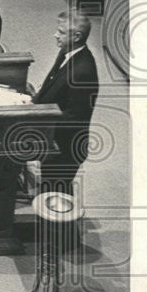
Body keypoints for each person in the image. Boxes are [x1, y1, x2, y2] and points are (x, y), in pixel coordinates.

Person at [30, 13, 100, 191]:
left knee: (55, 192)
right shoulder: (67, 52)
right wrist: (34, 101)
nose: (55, 35)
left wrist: (35, 118)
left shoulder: (83, 72)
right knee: (48, 185)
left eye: (61, 32)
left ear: (76, 37)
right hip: (53, 137)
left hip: (65, 147)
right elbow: (51, 82)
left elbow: (74, 118)